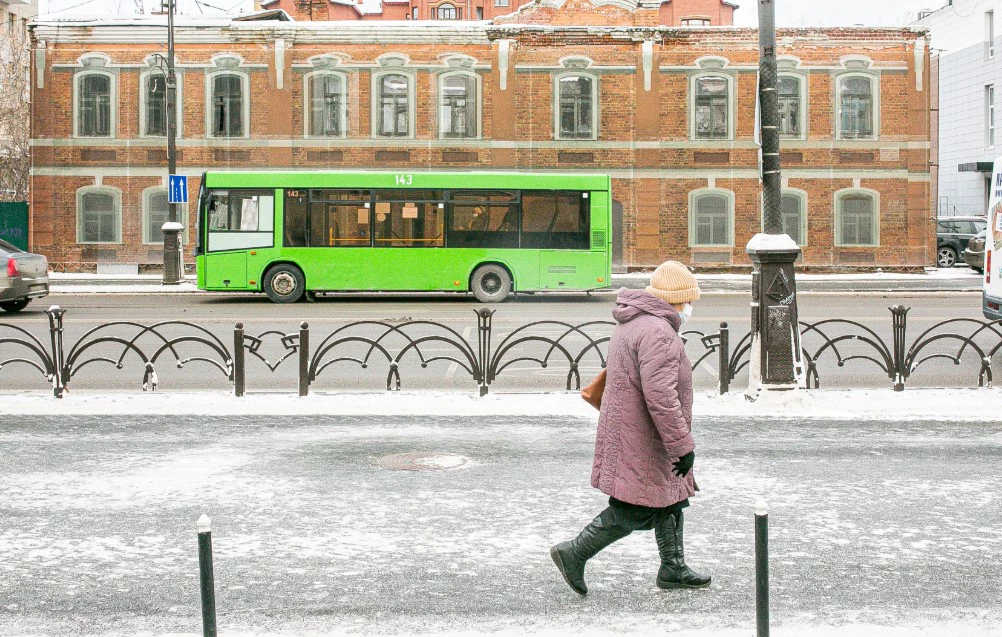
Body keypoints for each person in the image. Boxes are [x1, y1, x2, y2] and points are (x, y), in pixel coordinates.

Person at [550, 260, 710, 595]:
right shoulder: (659, 333)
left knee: (671, 497)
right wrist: (683, 445)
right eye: (687, 300)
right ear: (675, 298)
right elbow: (661, 398)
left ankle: (673, 567)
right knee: (633, 509)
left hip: (632, 428)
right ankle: (575, 552)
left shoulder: (634, 322)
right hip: (646, 436)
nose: (689, 307)